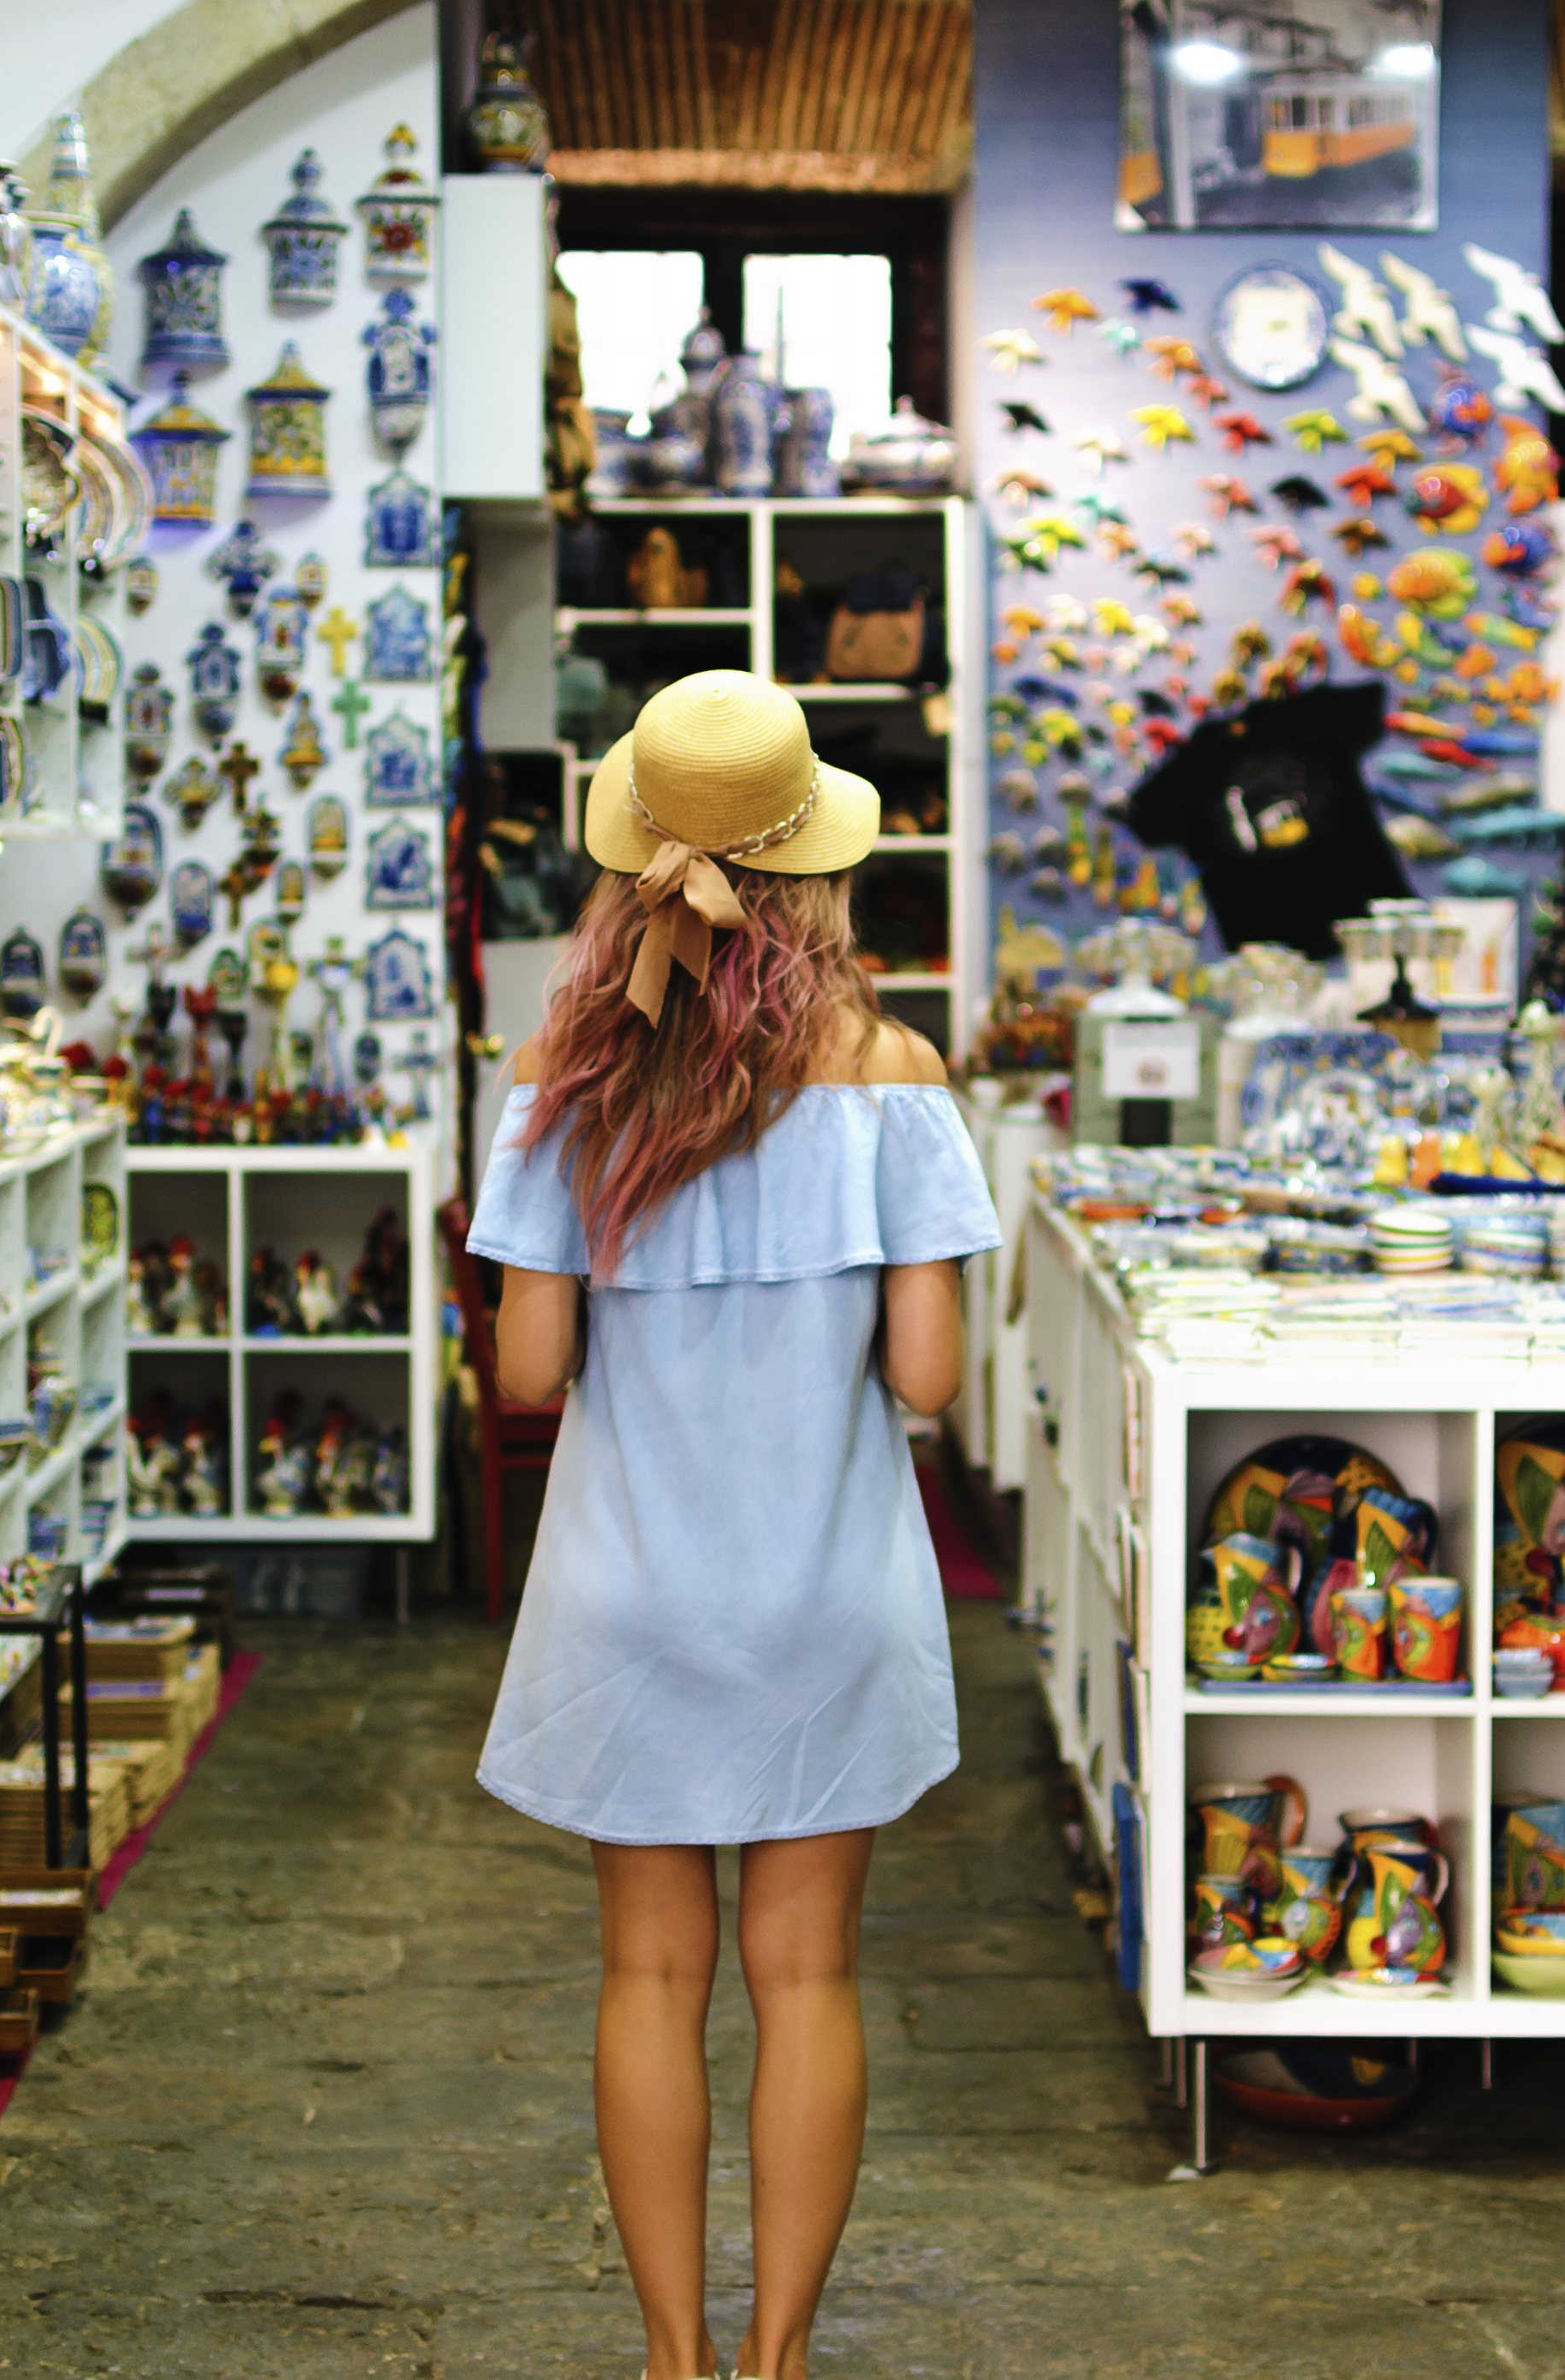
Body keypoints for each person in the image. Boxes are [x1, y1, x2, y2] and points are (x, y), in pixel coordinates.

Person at [466, 672, 1002, 2380]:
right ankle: (776, 2359)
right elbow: (926, 1379)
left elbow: (530, 1370)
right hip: (823, 1587)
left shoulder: (565, 1076)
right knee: (808, 1973)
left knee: (647, 1974)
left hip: (628, 1587)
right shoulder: (892, 1071)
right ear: (815, 864)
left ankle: (672, 2357)